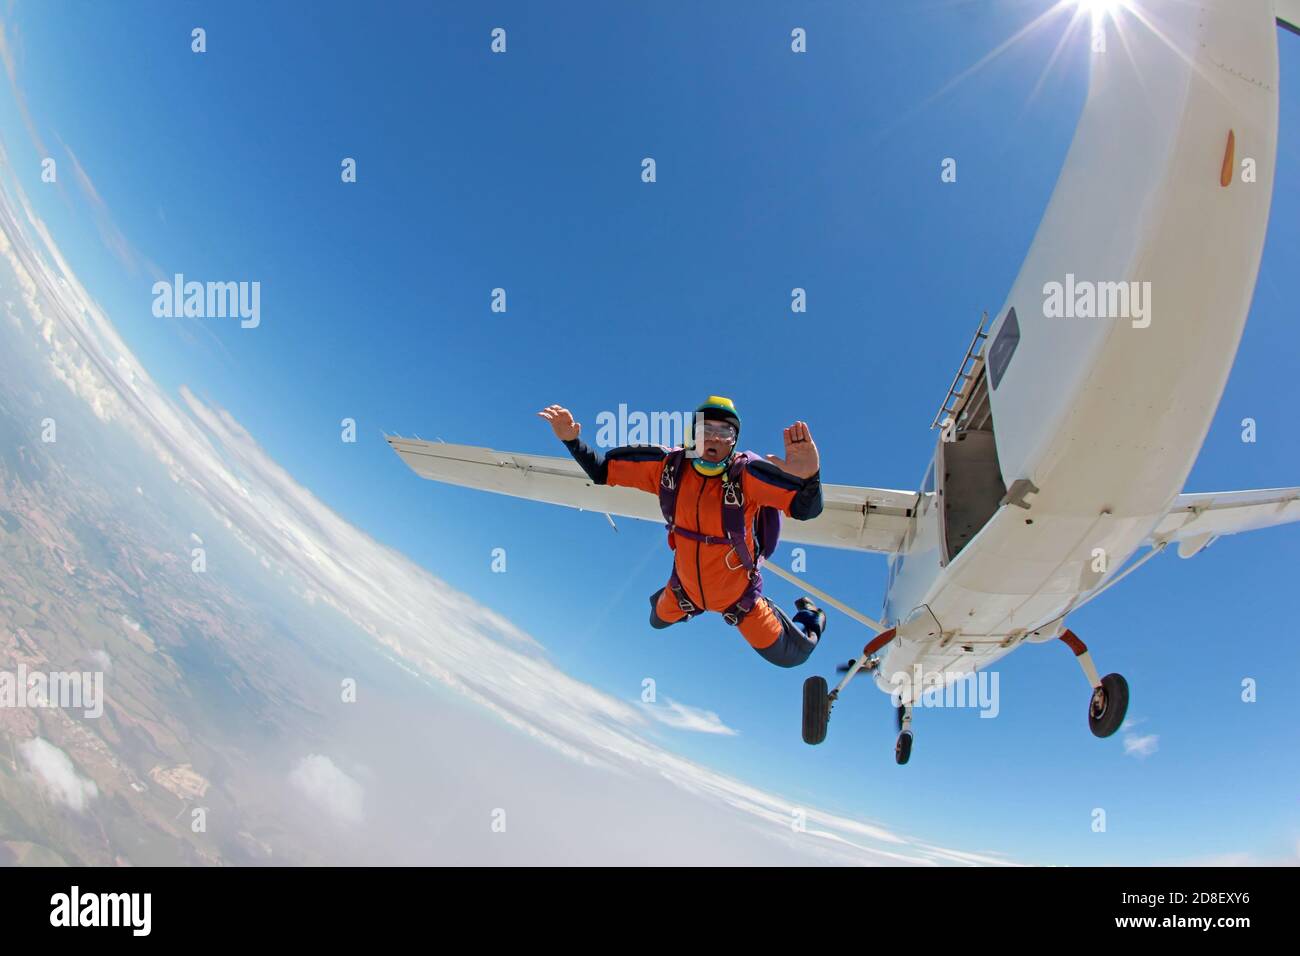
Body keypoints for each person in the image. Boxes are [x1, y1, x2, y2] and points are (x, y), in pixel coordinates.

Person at [538, 396, 827, 667]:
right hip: (684, 591)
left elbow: (805, 509)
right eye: (706, 428)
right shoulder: (669, 469)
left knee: (793, 655)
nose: (714, 437)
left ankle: (812, 616)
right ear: (693, 434)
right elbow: (603, 471)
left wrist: (809, 478)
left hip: (739, 600)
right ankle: (687, 601)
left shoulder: (746, 476)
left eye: (725, 432)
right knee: (656, 620)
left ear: (734, 441)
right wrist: (572, 441)